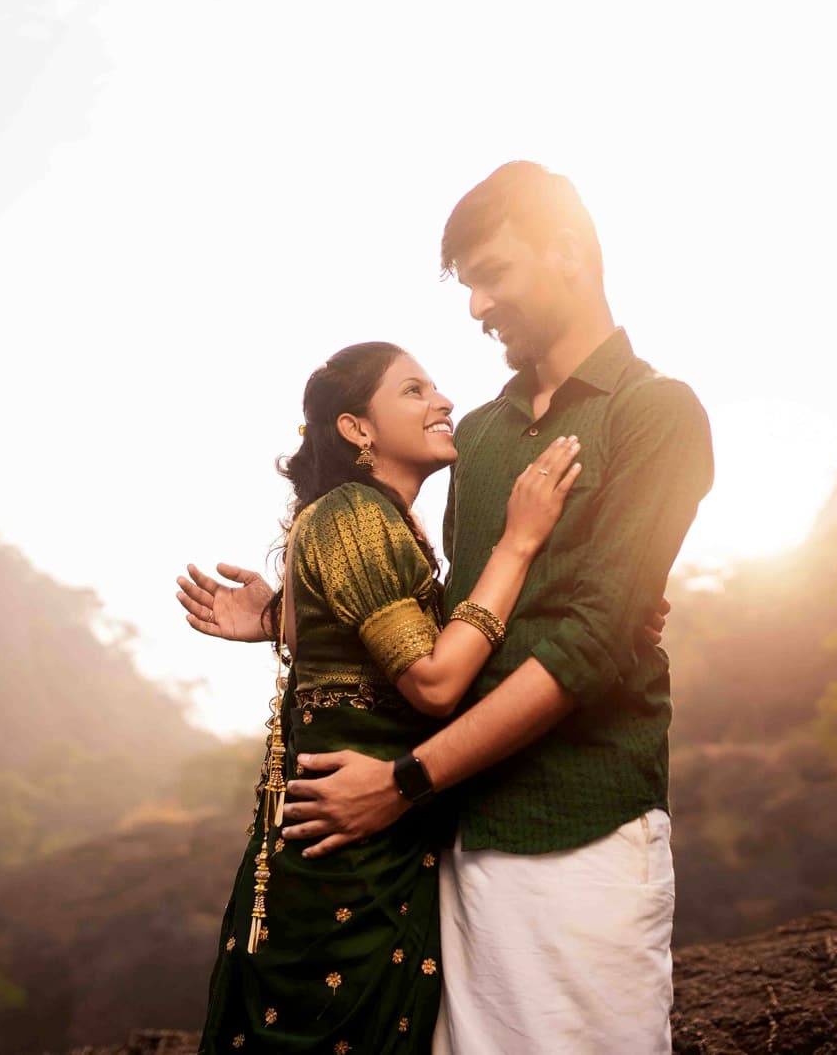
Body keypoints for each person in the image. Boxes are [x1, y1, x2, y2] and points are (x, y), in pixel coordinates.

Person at [195, 162, 715, 1053]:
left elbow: (587, 643)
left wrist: (401, 783)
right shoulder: (475, 436)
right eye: (466, 281)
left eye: (492, 273)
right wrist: (290, 616)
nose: (476, 305)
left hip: (575, 823)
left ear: (569, 253)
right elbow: (440, 615)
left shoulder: (654, 412)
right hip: (448, 842)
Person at [188, 340, 584, 1053]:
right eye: (413, 390)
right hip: (349, 859)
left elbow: (360, 655)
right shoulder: (355, 514)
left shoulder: (366, 517)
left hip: (361, 852)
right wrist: (518, 544)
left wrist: (285, 615)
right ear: (356, 427)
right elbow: (434, 681)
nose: (443, 402)